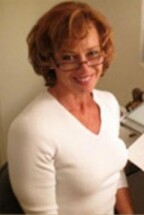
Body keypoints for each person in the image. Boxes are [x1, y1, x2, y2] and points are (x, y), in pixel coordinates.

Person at [7, 1, 134, 214]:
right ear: (49, 61)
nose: (84, 67)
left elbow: (114, 173)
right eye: (68, 57)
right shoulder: (31, 129)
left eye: (92, 53)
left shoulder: (109, 103)